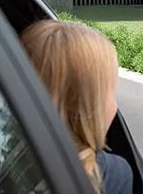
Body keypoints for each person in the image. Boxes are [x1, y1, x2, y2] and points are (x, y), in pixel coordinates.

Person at [20, 20, 133, 194]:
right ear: (90, 104)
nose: (115, 106)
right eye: (111, 92)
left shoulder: (15, 159)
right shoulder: (111, 174)